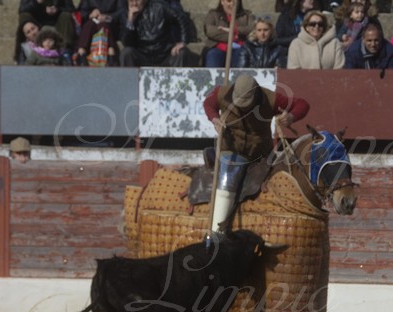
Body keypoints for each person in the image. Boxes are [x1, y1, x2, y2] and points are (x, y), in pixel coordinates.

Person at [202, 74, 310, 233]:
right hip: (232, 150)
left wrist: (291, 117)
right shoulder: (222, 93)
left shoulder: (270, 99)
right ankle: (216, 234)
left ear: (255, 94)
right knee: (227, 179)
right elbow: (208, 103)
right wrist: (214, 119)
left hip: (261, 154)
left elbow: (302, 104)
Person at [119, 0, 192, 67]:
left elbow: (181, 18)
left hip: (165, 54)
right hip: (142, 54)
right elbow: (127, 43)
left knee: (182, 53)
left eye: (137, 0)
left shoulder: (160, 6)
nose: (134, 4)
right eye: (131, 1)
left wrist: (183, 41)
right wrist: (131, 21)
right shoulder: (126, 13)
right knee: (126, 53)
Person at [203, 0, 254, 68]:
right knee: (213, 55)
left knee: (241, 55)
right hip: (217, 47)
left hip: (239, 47)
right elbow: (209, 30)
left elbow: (252, 28)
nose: (232, 4)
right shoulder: (213, 14)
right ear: (222, 2)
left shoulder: (247, 15)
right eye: (229, 1)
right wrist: (234, 37)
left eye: (235, 1)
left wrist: (235, 30)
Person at [75, 0, 124, 66]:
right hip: (92, 21)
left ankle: (111, 53)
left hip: (110, 23)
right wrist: (90, 14)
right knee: (89, 25)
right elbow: (82, 11)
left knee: (104, 25)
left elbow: (122, 11)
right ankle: (81, 52)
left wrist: (108, 16)